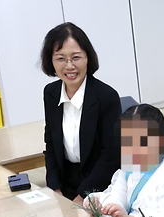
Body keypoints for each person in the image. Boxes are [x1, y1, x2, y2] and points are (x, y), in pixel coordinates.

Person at [41, 22, 121, 203]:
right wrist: (55, 188)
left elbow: (110, 156)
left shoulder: (107, 97)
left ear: (88, 58)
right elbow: (51, 145)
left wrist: (82, 197)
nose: (69, 66)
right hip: (65, 182)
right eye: (60, 58)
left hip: (100, 186)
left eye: (76, 57)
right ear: (51, 61)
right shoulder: (51, 93)